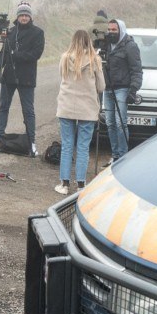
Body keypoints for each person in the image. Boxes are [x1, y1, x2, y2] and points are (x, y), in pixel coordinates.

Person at [0, 2, 45, 156]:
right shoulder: (11, 31)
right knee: (3, 106)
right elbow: (4, 52)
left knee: (28, 110)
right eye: (21, 15)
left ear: (30, 17)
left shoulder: (38, 32)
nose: (24, 18)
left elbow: (36, 54)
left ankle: (31, 142)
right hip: (9, 76)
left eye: (26, 15)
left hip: (27, 77)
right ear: (18, 16)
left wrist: (16, 55)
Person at [55, 30, 106, 195]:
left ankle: (64, 184)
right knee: (83, 147)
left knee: (67, 145)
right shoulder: (95, 60)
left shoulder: (64, 58)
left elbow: (62, 77)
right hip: (87, 108)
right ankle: (81, 185)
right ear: (88, 41)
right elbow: (101, 87)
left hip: (66, 106)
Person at [101, 18, 142, 165]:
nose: (111, 32)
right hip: (107, 88)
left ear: (121, 30)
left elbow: (136, 70)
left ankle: (123, 156)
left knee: (120, 123)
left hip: (122, 89)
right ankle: (115, 154)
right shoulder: (106, 45)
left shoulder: (130, 46)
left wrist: (133, 90)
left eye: (114, 30)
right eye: (109, 29)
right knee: (110, 122)